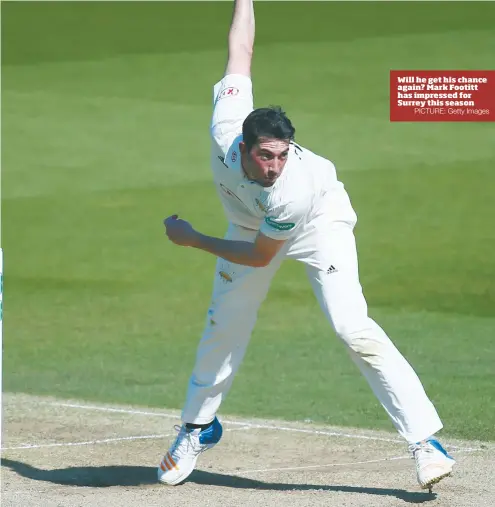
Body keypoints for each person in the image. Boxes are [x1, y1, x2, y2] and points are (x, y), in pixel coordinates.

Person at [159, 0, 455, 492]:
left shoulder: (292, 187)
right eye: (265, 155)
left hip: (317, 225)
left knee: (351, 327)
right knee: (224, 325)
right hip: (249, 226)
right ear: (243, 147)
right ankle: (197, 428)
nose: (275, 164)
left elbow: (259, 256)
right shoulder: (225, 125)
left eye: (282, 154)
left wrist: (193, 240)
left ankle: (425, 443)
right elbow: (241, 49)